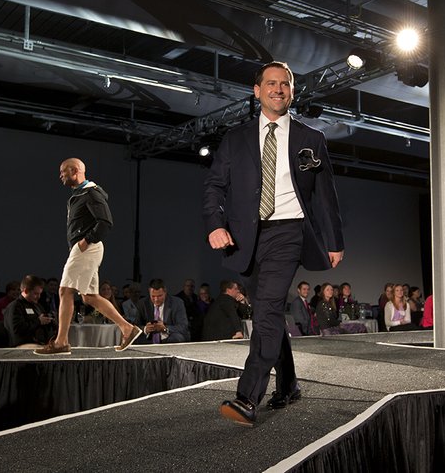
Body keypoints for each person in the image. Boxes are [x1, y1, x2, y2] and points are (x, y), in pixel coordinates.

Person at [204, 61, 344, 426]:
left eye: (285, 84)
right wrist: (215, 224)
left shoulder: (311, 139)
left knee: (266, 311)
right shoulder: (235, 139)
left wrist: (334, 240)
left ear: (292, 92)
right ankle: (289, 385)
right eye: (271, 83)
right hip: (245, 238)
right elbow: (215, 187)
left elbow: (326, 194)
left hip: (289, 232)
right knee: (267, 314)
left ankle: (247, 396)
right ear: (257, 90)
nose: (278, 89)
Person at [35, 157, 141, 354]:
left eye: (63, 172)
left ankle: (61, 342)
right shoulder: (81, 194)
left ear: (75, 170)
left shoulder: (90, 193)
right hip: (86, 247)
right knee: (89, 297)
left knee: (65, 291)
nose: (60, 176)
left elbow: (105, 222)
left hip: (86, 247)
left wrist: (85, 241)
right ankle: (127, 328)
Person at [5, 275, 57, 347]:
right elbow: (17, 330)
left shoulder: (37, 306)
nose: (38, 297)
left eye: (40, 294)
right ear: (26, 291)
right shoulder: (15, 306)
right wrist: (38, 321)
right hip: (22, 344)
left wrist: (51, 321)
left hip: (39, 342)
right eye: (35, 293)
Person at [134, 279, 190, 344]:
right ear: (149, 292)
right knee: (136, 339)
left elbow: (183, 326)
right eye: (153, 296)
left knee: (176, 338)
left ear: (165, 293)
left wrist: (165, 328)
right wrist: (145, 329)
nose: (156, 299)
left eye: (159, 296)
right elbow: (135, 325)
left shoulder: (177, 303)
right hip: (149, 338)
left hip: (169, 337)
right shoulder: (142, 303)